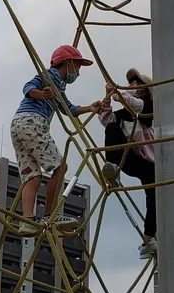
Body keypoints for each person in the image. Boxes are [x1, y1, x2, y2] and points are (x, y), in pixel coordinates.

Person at [11, 45, 101, 236]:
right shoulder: (51, 75)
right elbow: (28, 87)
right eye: (77, 67)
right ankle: (51, 214)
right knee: (61, 168)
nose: (77, 72)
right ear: (67, 64)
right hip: (32, 121)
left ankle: (27, 220)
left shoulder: (59, 86)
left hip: (18, 124)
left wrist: (90, 108)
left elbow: (69, 109)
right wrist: (41, 94)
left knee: (32, 176)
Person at [98, 68, 157, 259]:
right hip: (129, 158)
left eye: (136, 83)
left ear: (145, 88)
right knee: (112, 128)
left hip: (149, 162)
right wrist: (108, 98)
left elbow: (137, 106)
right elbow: (106, 119)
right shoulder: (125, 113)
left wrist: (118, 93)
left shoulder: (149, 107)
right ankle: (112, 169)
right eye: (130, 83)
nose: (132, 85)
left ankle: (148, 239)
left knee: (154, 197)